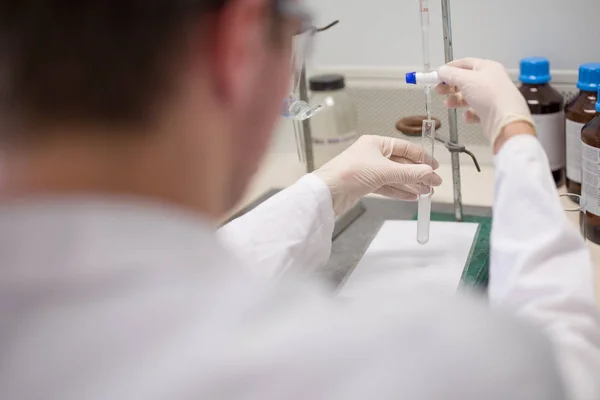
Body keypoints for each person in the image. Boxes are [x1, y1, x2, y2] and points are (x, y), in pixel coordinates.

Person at [0, 1, 598, 399]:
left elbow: (149, 286)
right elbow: (557, 364)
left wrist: (329, 185)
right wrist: (514, 131)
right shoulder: (421, 369)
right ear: (234, 45)